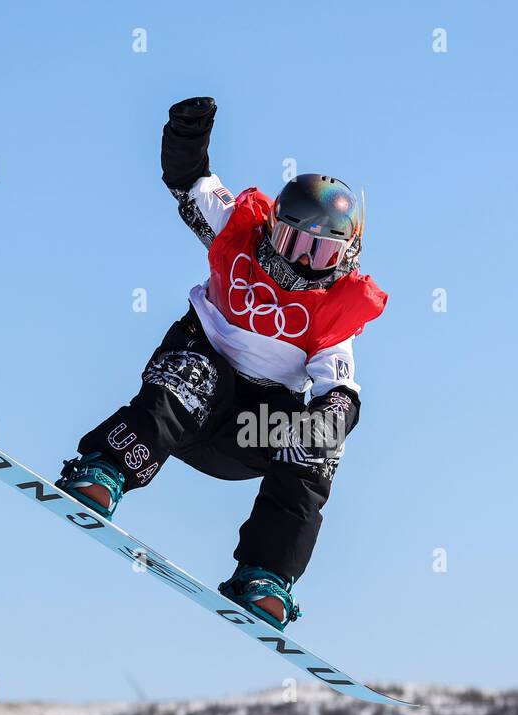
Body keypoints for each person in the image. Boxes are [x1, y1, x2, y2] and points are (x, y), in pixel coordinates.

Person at [57, 96, 388, 631]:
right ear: (273, 229)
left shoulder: (336, 312)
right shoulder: (240, 232)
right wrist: (187, 135)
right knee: (198, 376)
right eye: (293, 242)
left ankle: (266, 575)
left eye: (320, 254)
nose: (301, 264)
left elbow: (341, 395)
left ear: (345, 259)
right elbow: (190, 180)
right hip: (190, 389)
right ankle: (107, 470)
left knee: (318, 444)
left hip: (247, 432)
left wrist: (326, 424)